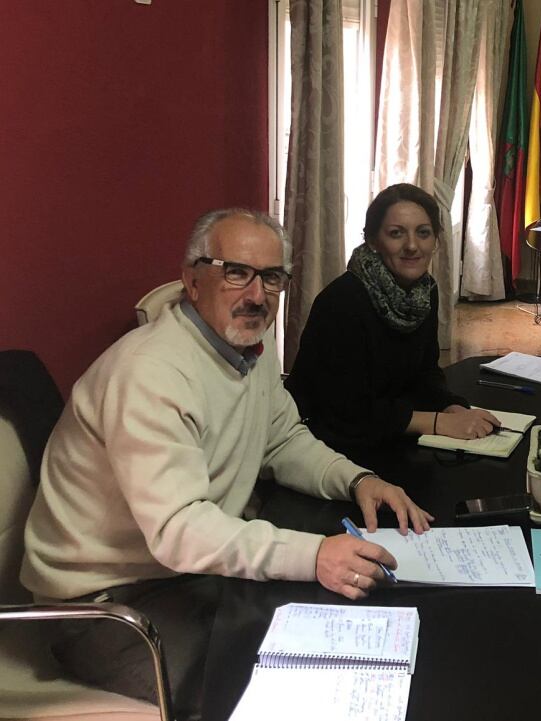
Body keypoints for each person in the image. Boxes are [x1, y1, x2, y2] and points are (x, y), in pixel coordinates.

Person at [21, 208, 432, 719]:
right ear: (193, 280)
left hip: (182, 576)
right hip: (104, 606)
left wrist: (356, 479)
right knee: (280, 683)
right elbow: (180, 530)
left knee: (328, 629)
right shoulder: (150, 373)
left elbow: (282, 440)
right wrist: (314, 555)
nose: (257, 295)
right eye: (235, 272)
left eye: (272, 277)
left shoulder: (248, 349)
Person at [286, 183, 499, 456]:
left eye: (423, 233)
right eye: (396, 234)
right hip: (328, 445)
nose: (412, 246)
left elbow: (425, 373)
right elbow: (346, 410)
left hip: (390, 433)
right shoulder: (342, 301)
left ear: (435, 240)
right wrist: (438, 422)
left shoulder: (424, 292)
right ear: (373, 241)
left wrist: (452, 406)